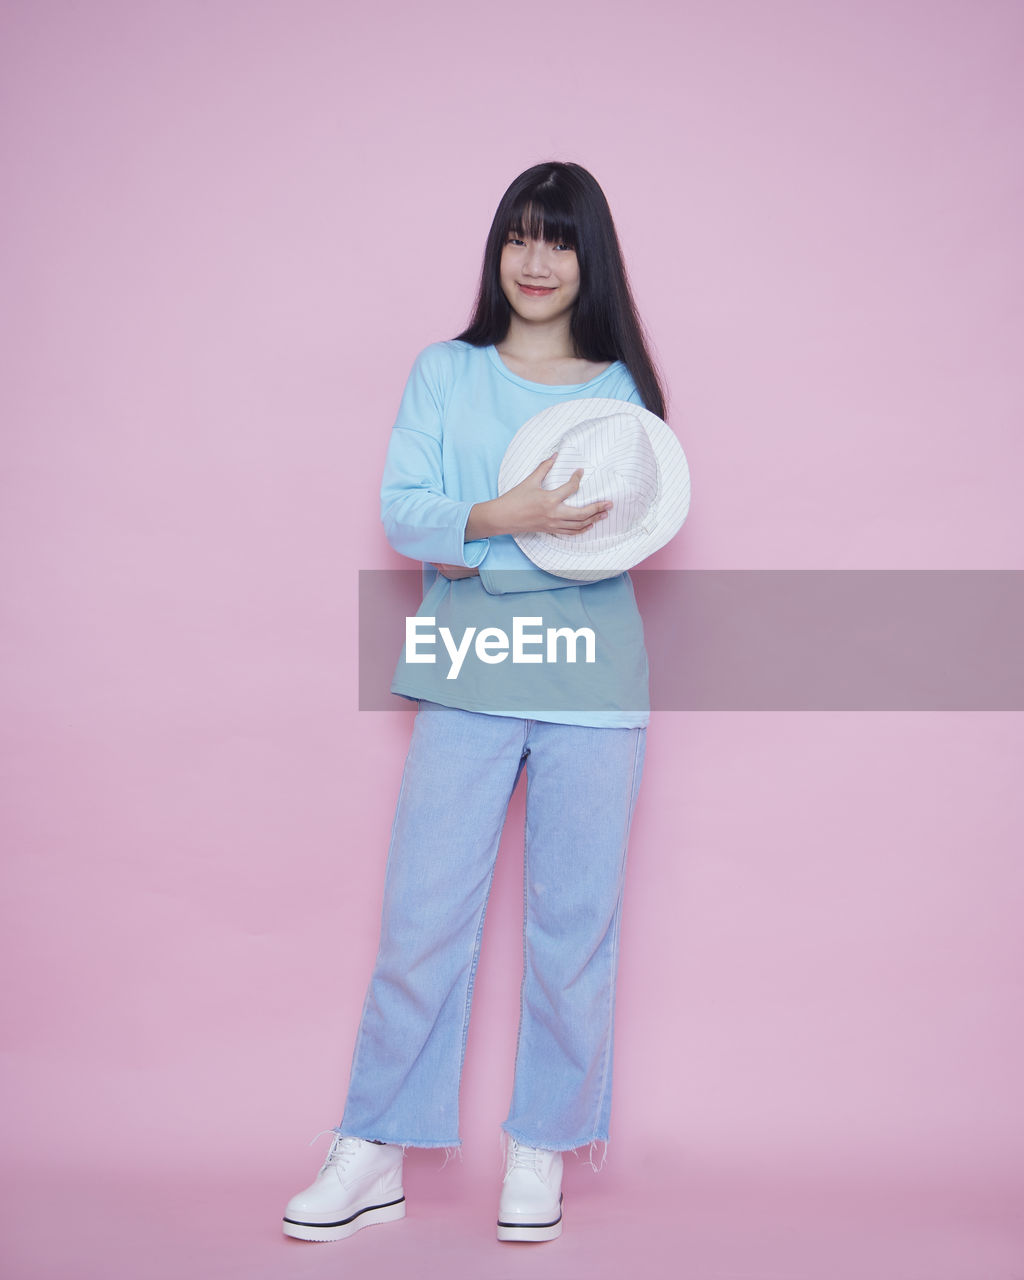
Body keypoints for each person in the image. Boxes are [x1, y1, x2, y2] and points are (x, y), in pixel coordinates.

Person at [282, 161, 686, 1246]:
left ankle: (541, 1143)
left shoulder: (619, 395)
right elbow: (404, 512)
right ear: (497, 250)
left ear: (588, 258)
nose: (536, 260)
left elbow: (600, 558)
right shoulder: (444, 373)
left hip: (593, 691)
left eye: (559, 240)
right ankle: (372, 1143)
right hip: (466, 680)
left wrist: (476, 544)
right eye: (519, 235)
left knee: (573, 932)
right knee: (421, 923)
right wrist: (505, 516)